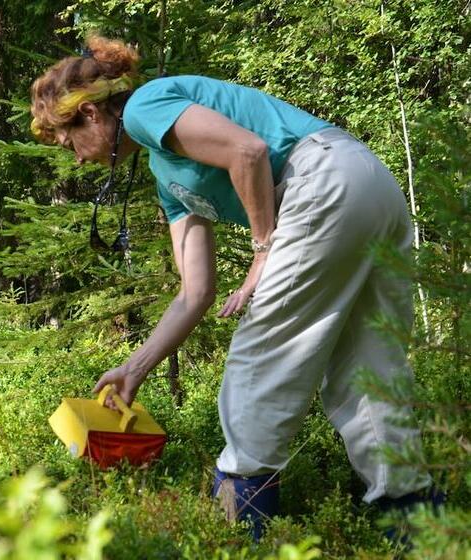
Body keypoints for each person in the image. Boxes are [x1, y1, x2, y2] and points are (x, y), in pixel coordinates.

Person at [29, 35, 439, 539]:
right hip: (366, 184)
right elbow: (195, 292)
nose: (75, 158)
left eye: (68, 142)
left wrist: (263, 249)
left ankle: (243, 521)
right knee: (367, 365)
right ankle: (416, 519)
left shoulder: (144, 108)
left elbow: (249, 151)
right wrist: (134, 369)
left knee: (259, 357)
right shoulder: (166, 172)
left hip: (320, 179)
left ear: (90, 113)